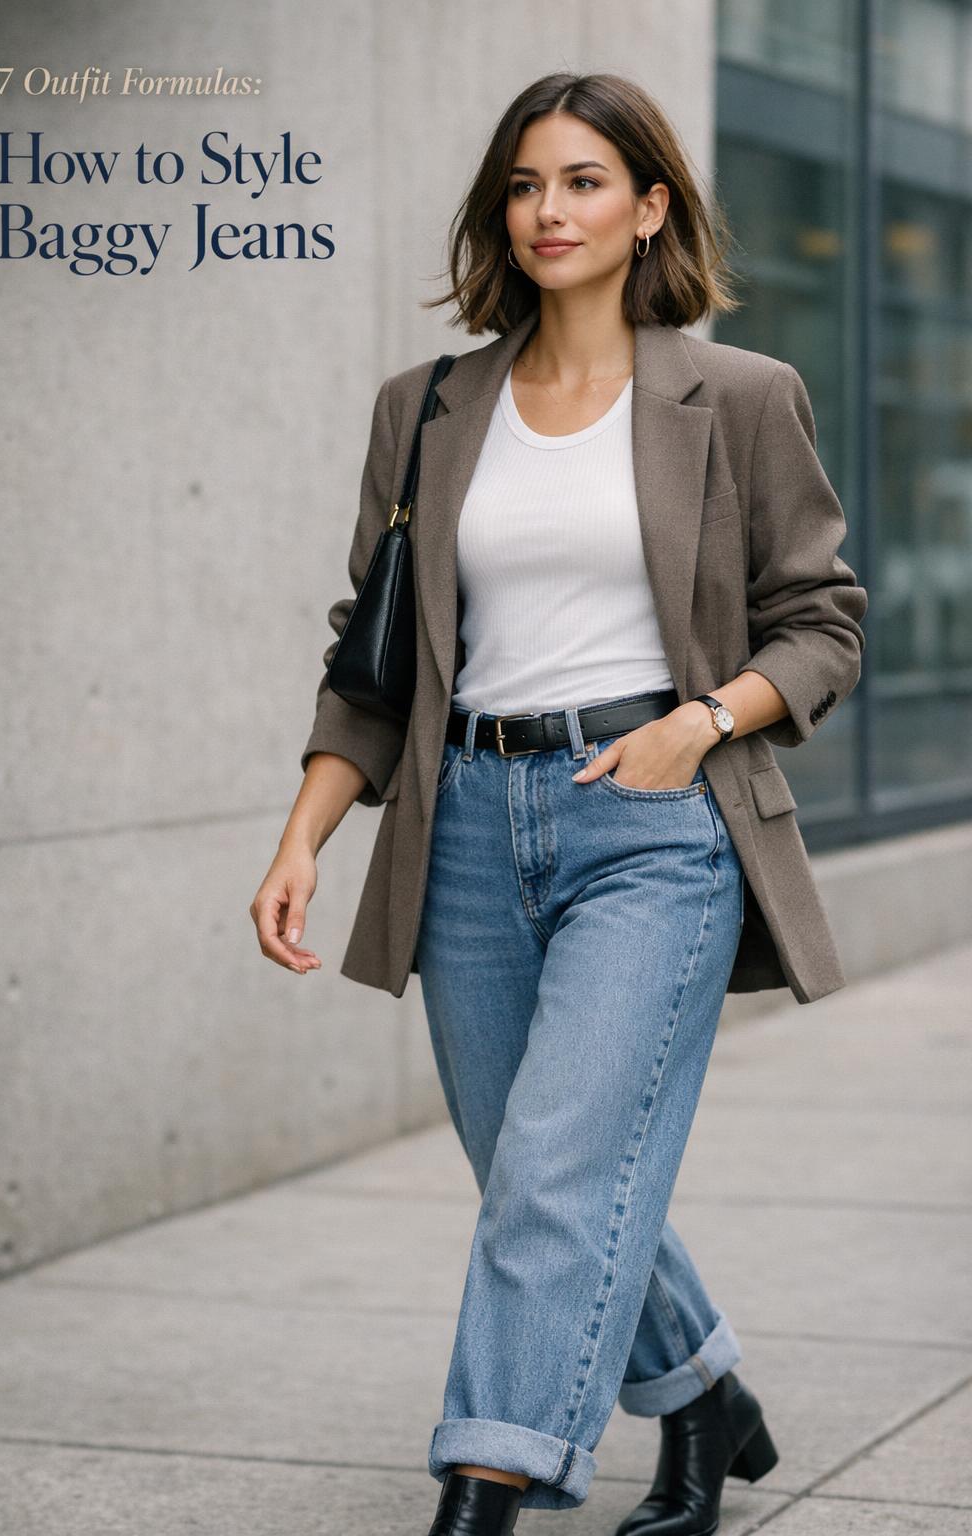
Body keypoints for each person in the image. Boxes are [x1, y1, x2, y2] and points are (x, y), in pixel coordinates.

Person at [249, 71, 867, 1536]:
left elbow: (825, 623)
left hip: (655, 825)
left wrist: (700, 725)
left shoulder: (741, 397)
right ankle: (705, 1393)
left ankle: (485, 1487)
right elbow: (375, 652)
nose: (549, 211)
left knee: (556, 1171)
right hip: (464, 823)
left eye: (585, 181)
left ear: (650, 206)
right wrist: (304, 834)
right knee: (537, 1171)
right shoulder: (429, 410)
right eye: (527, 186)